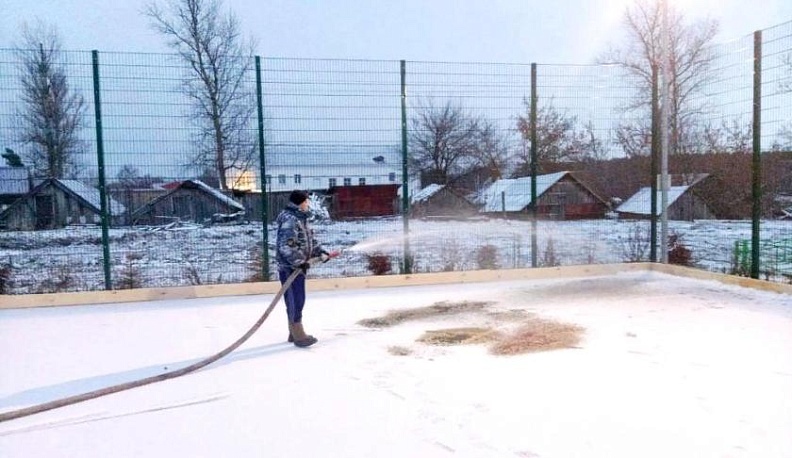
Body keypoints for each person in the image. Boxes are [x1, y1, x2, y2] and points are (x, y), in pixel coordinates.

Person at [275, 190, 339, 347]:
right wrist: (298, 261)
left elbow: (308, 240)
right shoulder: (290, 220)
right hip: (289, 268)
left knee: (298, 299)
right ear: (300, 203)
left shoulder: (299, 219)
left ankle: (293, 331)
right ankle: (298, 334)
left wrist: (320, 252)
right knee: (294, 300)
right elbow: (286, 246)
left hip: (297, 266)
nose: (308, 204)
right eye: (306, 201)